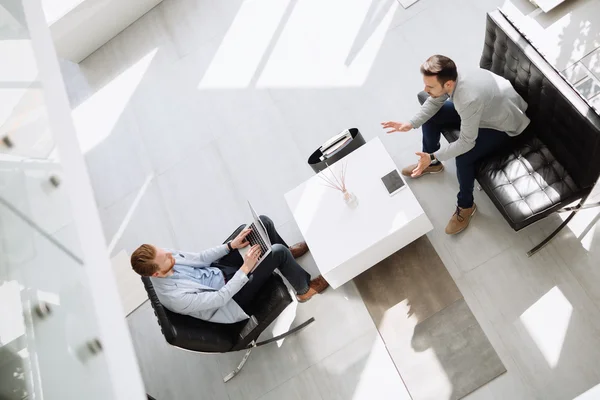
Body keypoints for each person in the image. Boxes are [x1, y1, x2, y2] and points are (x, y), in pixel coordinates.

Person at [382, 54, 530, 234]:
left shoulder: (467, 99)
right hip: (485, 110)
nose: (425, 89)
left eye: (430, 86)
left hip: (503, 125)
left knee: (464, 157)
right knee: (431, 116)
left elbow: (466, 142)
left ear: (448, 84)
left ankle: (466, 206)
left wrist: (434, 155)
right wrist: (411, 123)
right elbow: (435, 99)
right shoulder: (451, 75)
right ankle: (432, 164)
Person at [131, 215, 329, 323]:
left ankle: (287, 257)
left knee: (262, 224)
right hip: (232, 301)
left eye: (163, 251)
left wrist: (230, 246)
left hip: (220, 273)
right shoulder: (175, 297)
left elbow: (199, 259)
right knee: (275, 252)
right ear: (156, 273)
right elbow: (220, 299)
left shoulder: (165, 258)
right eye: (164, 257)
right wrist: (245, 269)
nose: (169, 254)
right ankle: (304, 289)